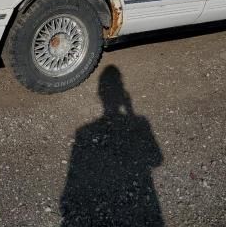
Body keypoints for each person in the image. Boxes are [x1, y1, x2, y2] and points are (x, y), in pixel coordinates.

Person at [60, 65, 164, 226]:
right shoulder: (140, 122)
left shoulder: (83, 132)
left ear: (100, 94)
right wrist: (130, 111)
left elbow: (73, 175)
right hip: (137, 203)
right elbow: (156, 160)